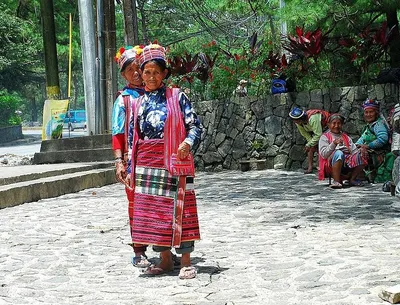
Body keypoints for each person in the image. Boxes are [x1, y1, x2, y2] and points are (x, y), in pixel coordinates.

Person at [125, 43, 203, 279]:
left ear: (164, 74)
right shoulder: (138, 103)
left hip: (173, 160)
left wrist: (187, 144)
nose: (150, 77)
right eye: (146, 72)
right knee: (154, 214)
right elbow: (132, 138)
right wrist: (130, 168)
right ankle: (166, 260)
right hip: (147, 164)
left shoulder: (177, 97)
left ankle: (187, 261)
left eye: (156, 72)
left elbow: (195, 126)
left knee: (182, 209)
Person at [111, 45, 151, 268]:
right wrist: (119, 161)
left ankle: (163, 248)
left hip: (156, 158)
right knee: (136, 204)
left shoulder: (158, 94)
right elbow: (117, 133)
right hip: (133, 160)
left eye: (138, 68)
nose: (136, 73)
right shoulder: (124, 100)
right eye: (130, 70)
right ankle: (139, 249)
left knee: (160, 201)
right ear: (124, 75)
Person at [318, 113, 368, 189]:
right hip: (330, 163)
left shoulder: (346, 137)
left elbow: (354, 151)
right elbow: (324, 154)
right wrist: (334, 144)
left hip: (347, 163)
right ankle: (336, 181)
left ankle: (352, 179)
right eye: (334, 123)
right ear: (328, 124)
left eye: (339, 123)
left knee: (362, 154)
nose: (336, 126)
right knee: (339, 153)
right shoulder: (324, 137)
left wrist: (360, 151)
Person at [355, 98, 393, 183]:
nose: (368, 114)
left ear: (376, 113)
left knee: (360, 153)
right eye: (366, 112)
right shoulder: (369, 126)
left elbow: (383, 139)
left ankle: (361, 176)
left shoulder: (378, 124)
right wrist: (356, 145)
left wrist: (367, 146)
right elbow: (362, 138)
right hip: (372, 151)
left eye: (371, 112)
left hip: (380, 153)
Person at [289, 107, 330, 174]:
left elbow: (318, 134)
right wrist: (310, 144)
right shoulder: (298, 123)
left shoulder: (313, 119)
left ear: (301, 118)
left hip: (326, 127)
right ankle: (310, 167)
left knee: (322, 147)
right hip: (316, 131)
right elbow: (305, 134)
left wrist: (310, 144)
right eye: (294, 120)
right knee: (310, 148)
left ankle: (324, 167)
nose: (295, 122)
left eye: (296, 120)